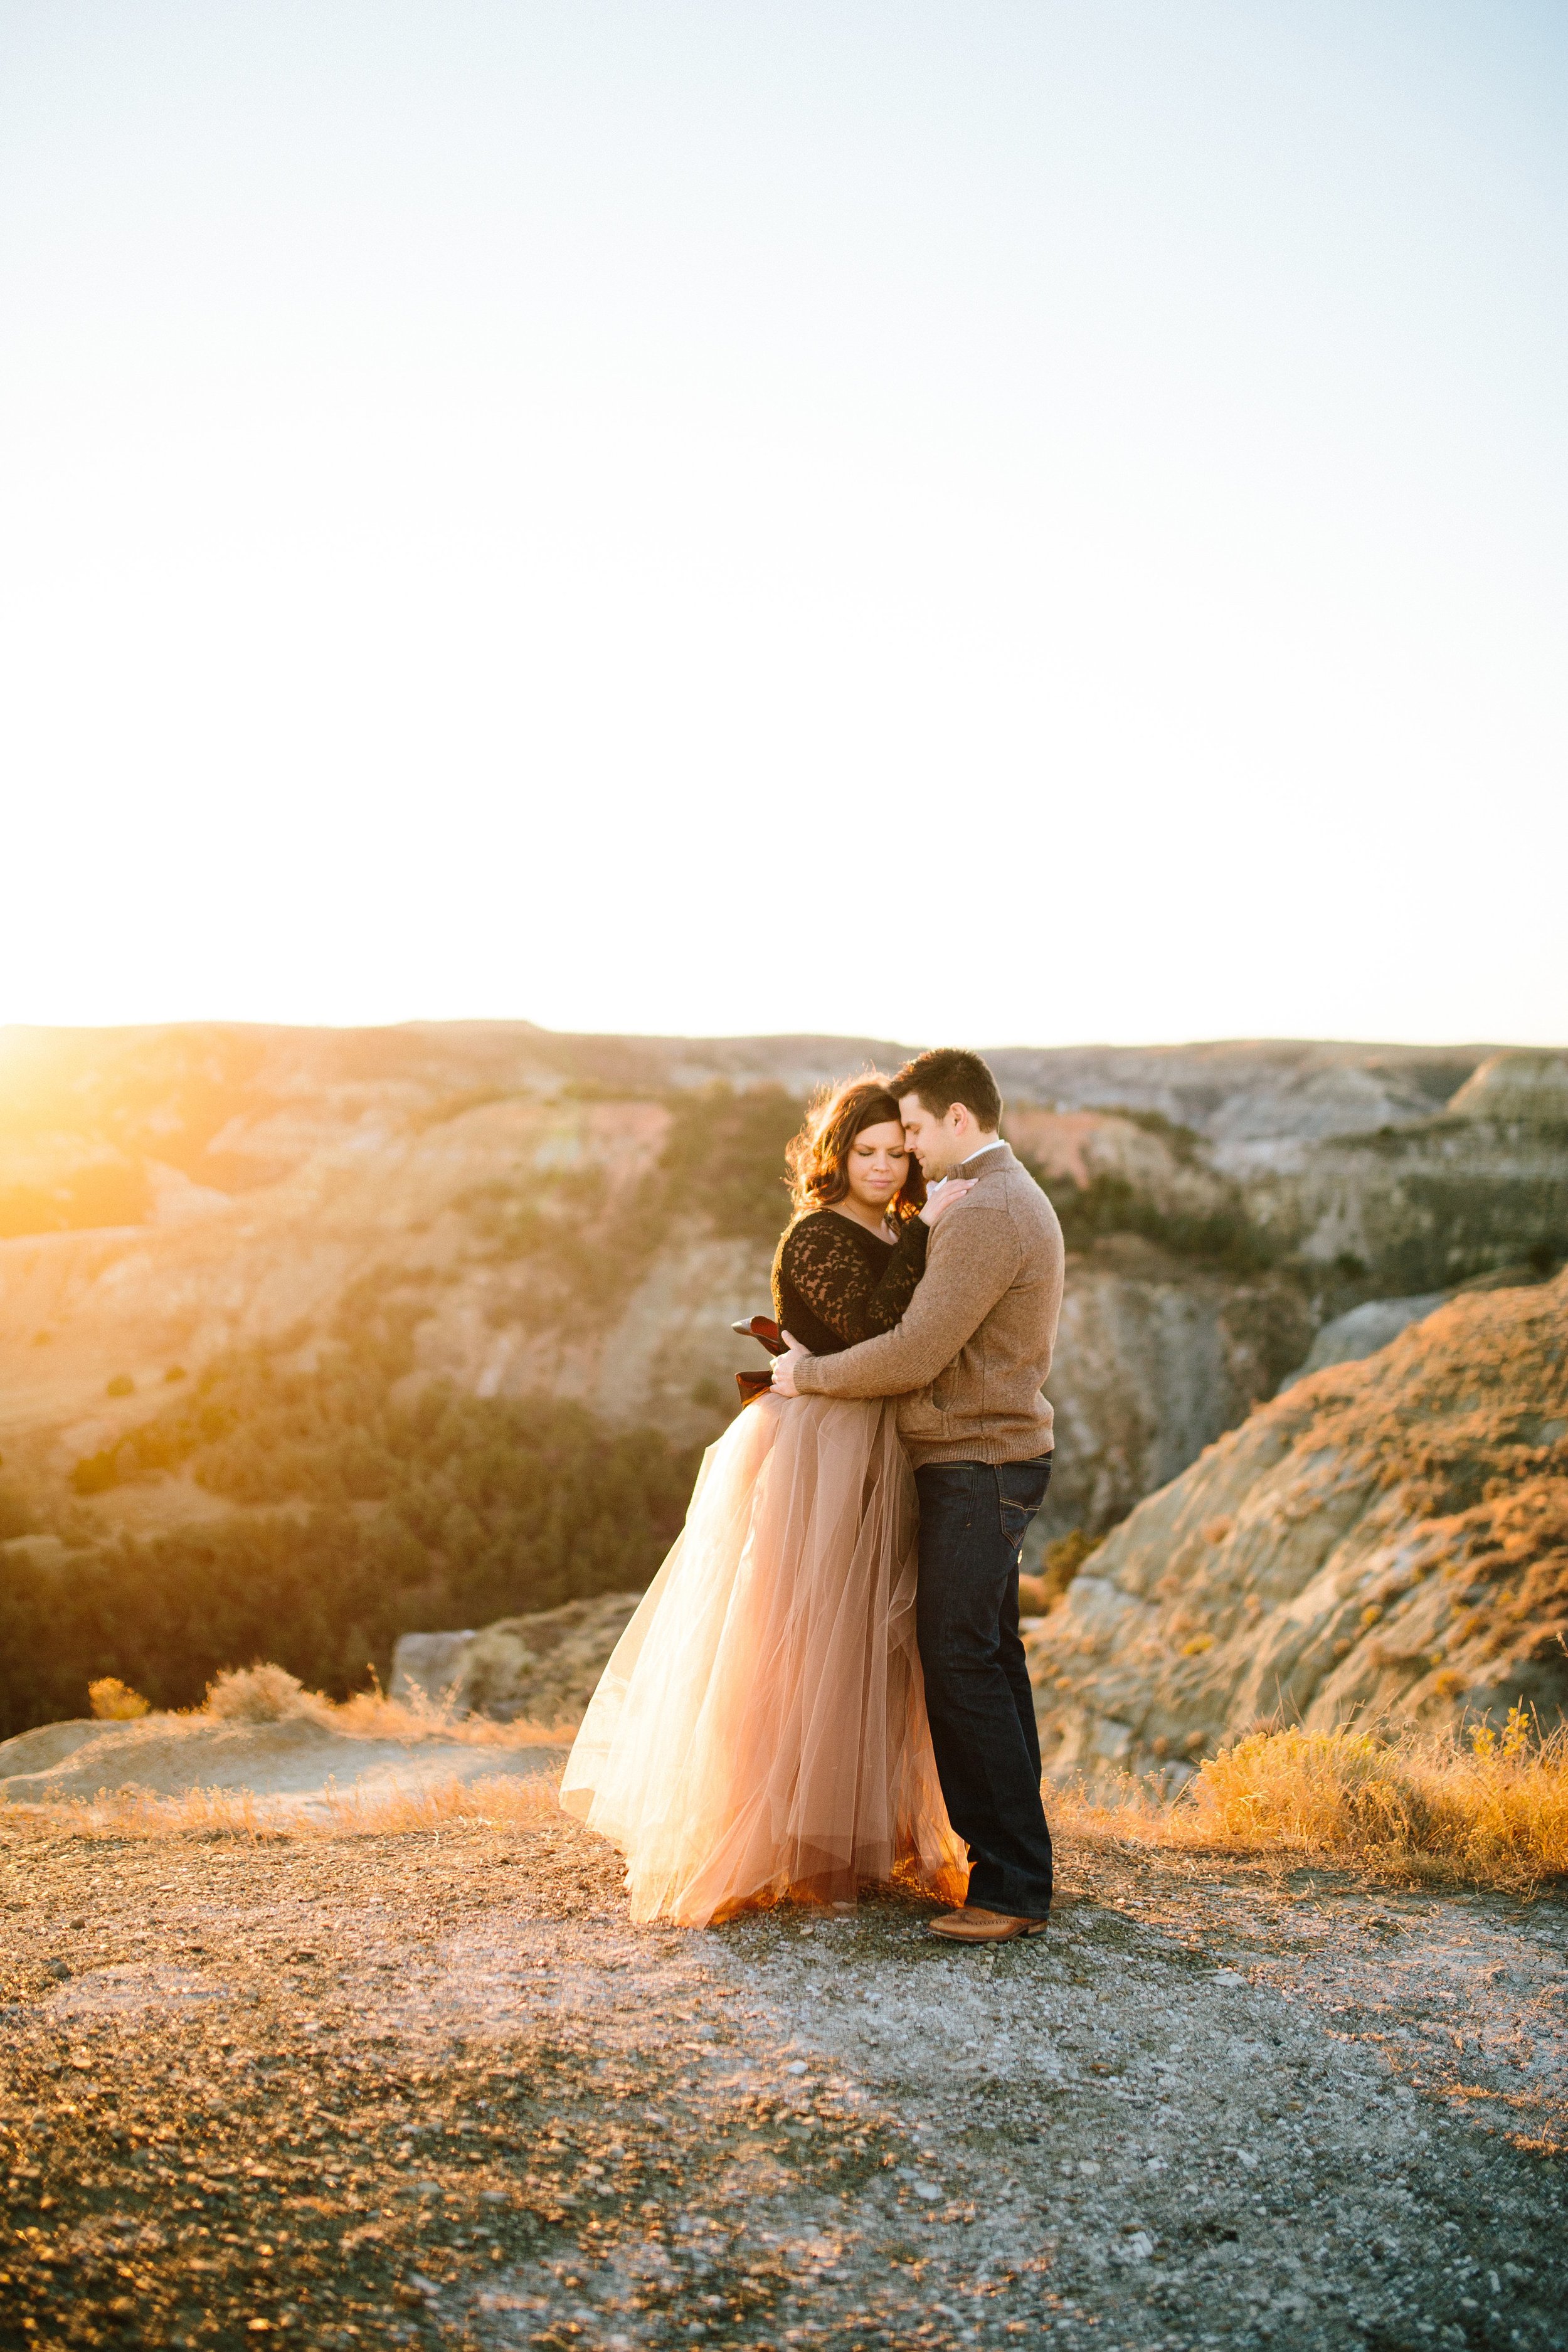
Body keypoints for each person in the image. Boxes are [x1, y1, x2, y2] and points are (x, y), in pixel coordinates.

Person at [560, 1077, 971, 1926]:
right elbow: (870, 1331)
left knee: (870, 1644)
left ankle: (863, 1831)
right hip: (816, 1449)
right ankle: (770, 1835)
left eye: (898, 1153)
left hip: (879, 1446)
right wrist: (930, 1232)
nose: (884, 1166)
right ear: (836, 1153)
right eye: (866, 1151)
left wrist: (919, 1232)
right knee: (795, 1640)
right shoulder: (815, 1235)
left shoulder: (896, 1226)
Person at [771, 1048, 1065, 1945]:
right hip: (990, 1456)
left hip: (977, 1461)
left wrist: (805, 1376)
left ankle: (1011, 1883)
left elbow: (910, 1353)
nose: (908, 1158)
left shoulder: (983, 1211)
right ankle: (1021, 1868)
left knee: (961, 1662)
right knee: (991, 1658)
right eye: (884, 1145)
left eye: (915, 1136)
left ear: (958, 1122)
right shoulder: (1005, 1195)